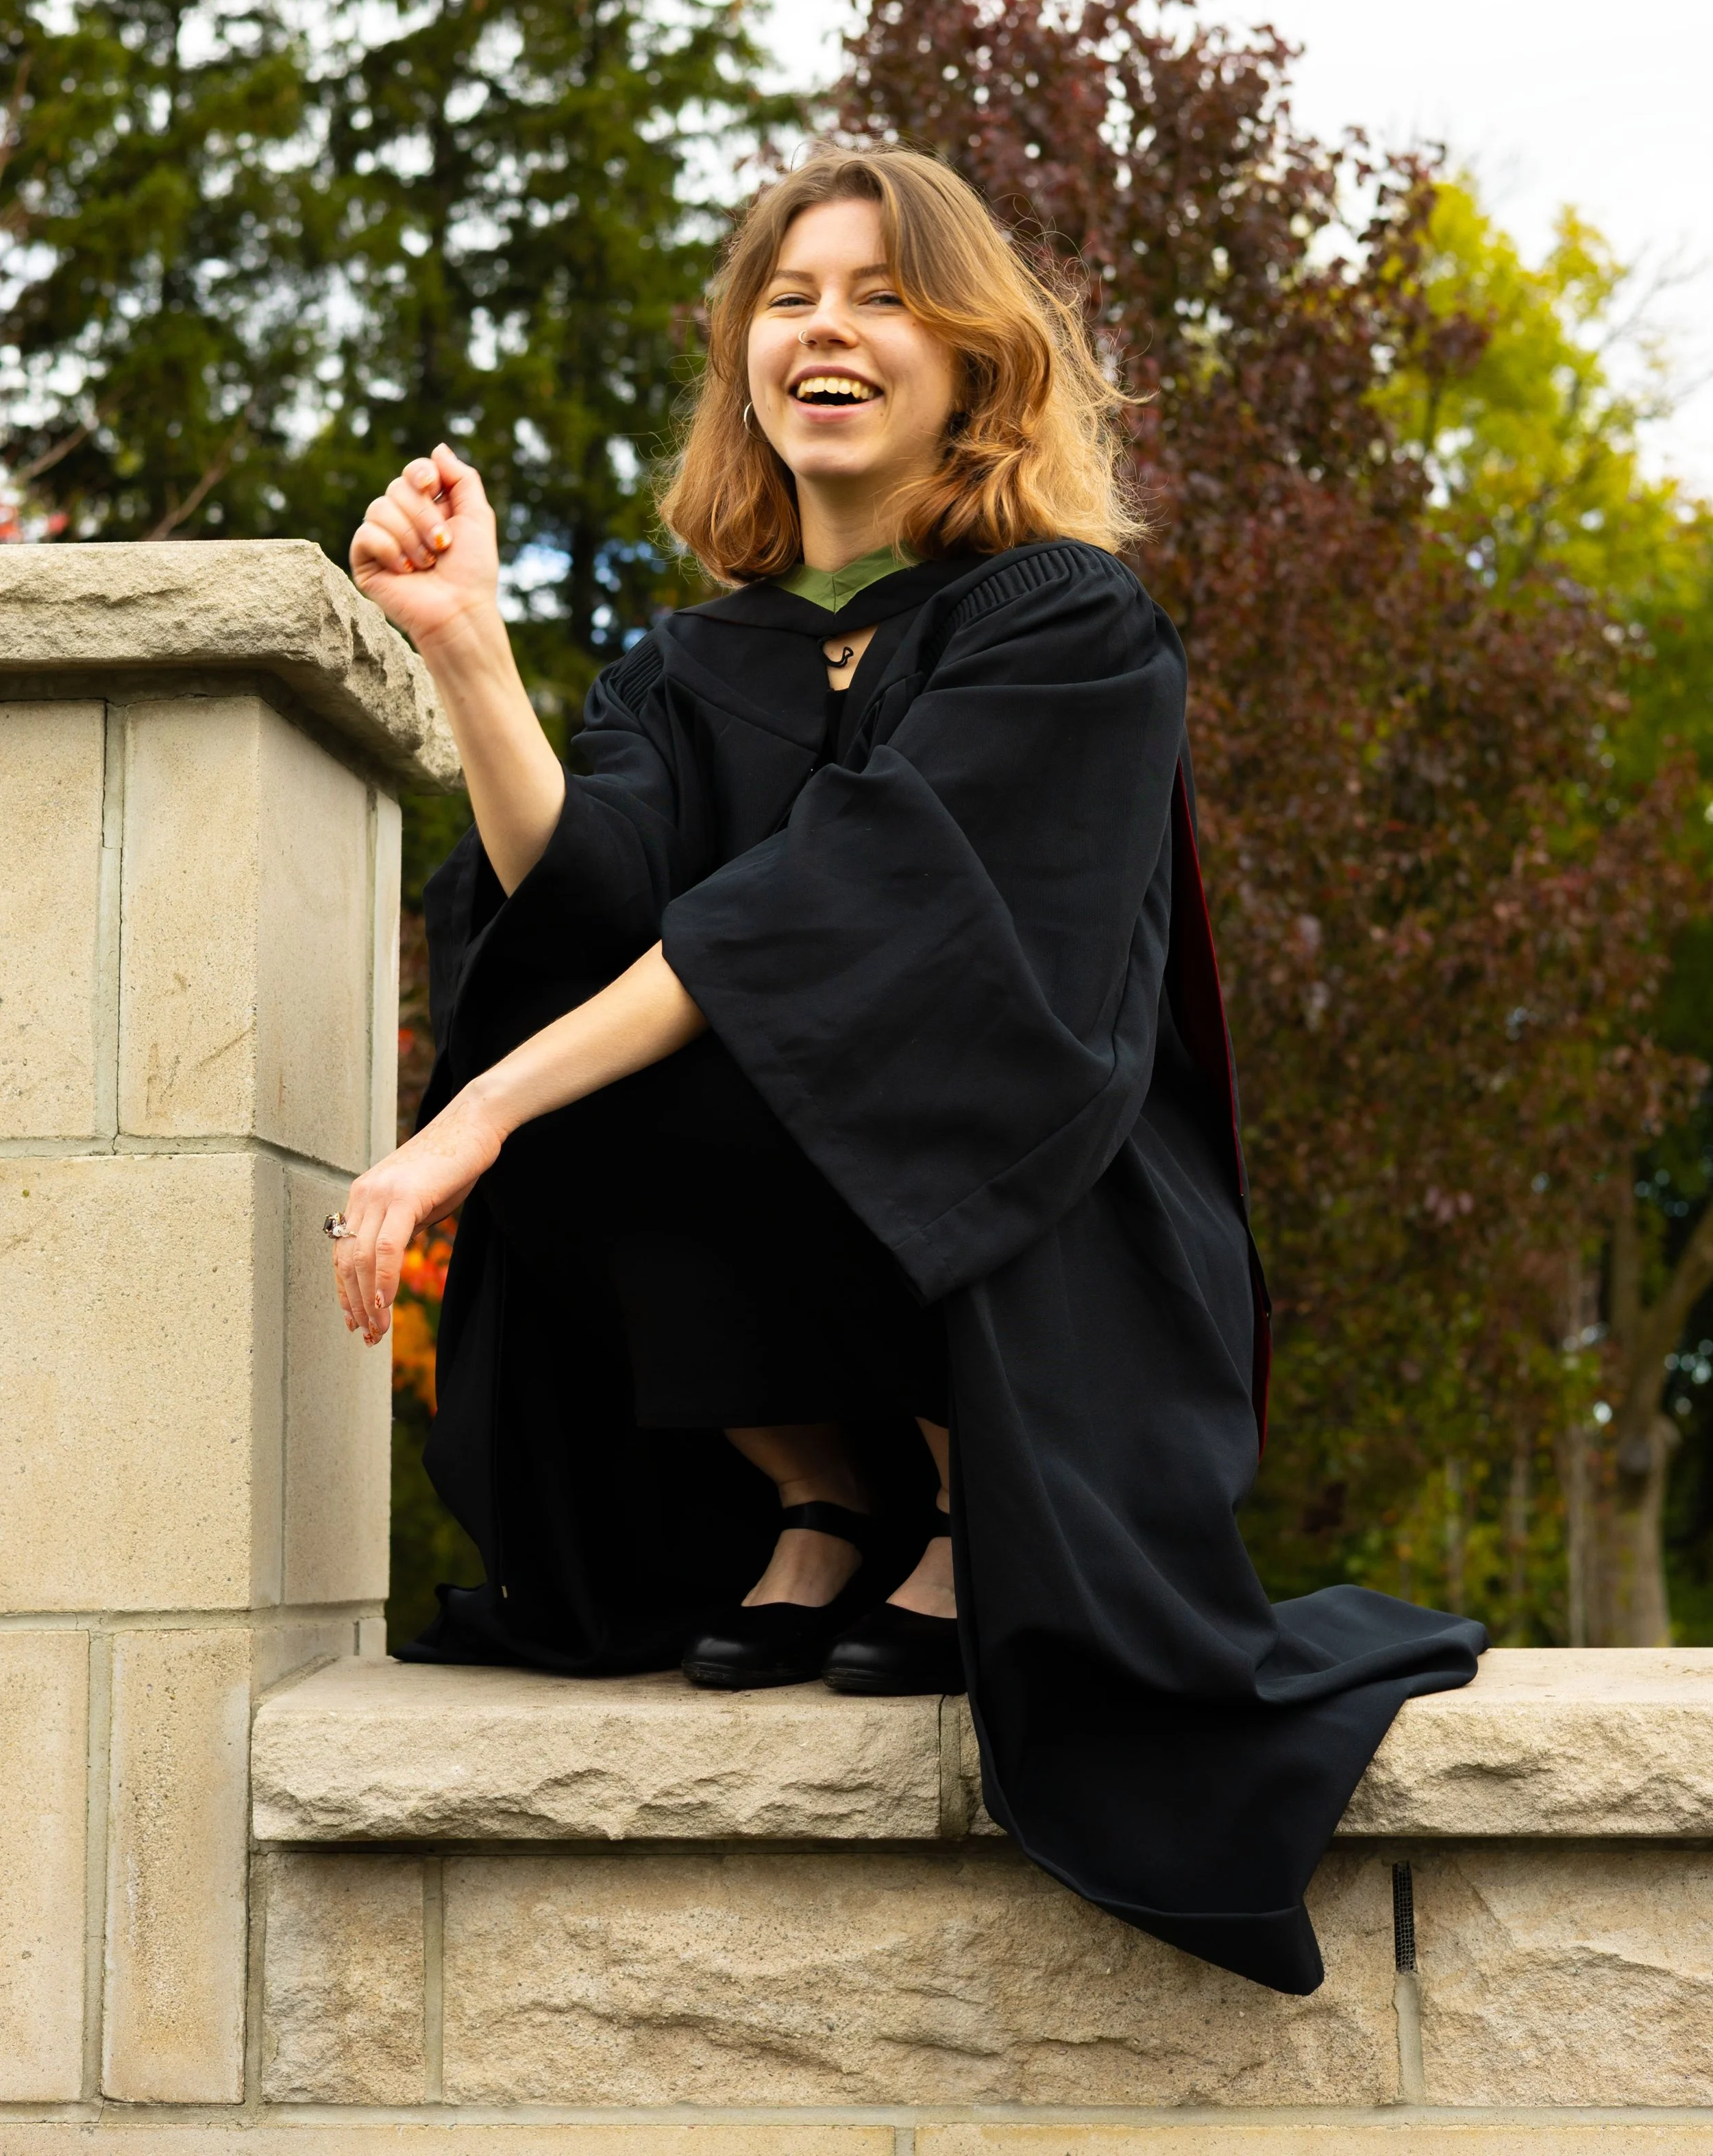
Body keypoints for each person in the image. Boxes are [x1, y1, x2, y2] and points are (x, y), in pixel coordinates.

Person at [332, 144, 1485, 1996]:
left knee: (727, 1031)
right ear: (743, 361)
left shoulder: (1063, 626)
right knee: (566, 1035)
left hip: (1062, 1222)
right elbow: (598, 893)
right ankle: (825, 1491)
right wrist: (469, 649)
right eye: (787, 298)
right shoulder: (682, 668)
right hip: (805, 1256)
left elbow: (860, 911)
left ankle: (969, 1499)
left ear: (970, 360)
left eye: (878, 294)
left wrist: (465, 1116)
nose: (827, 329)